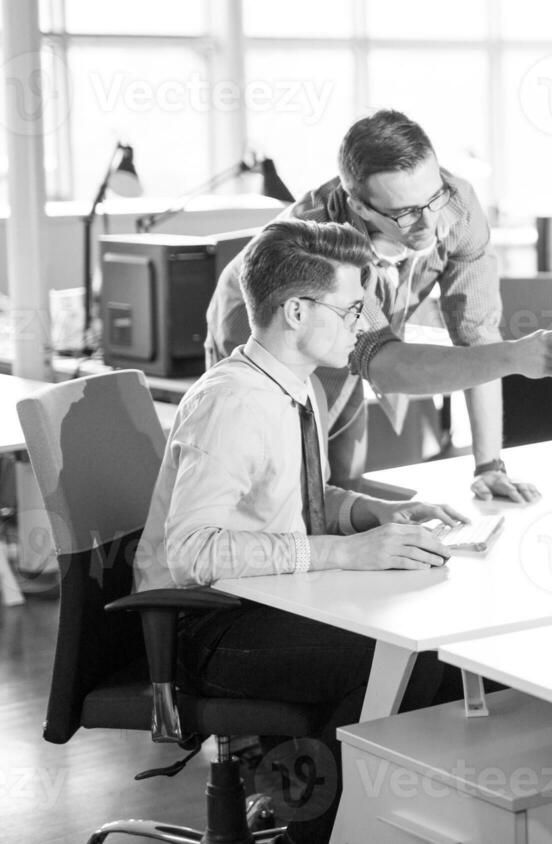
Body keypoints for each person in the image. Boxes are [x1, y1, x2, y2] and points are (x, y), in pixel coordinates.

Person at [137, 219, 493, 843]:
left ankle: (331, 819)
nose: (364, 324)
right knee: (402, 665)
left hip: (265, 601)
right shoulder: (235, 402)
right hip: (206, 626)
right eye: (354, 308)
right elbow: (191, 553)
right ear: (297, 311)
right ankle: (321, 831)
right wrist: (344, 553)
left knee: (424, 654)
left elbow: (297, 495)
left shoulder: (293, 386)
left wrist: (368, 515)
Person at [206, 109, 552, 500]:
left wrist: (489, 466)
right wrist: (515, 357)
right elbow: (384, 364)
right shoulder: (325, 248)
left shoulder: (458, 205)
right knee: (282, 490)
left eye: (434, 197)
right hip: (268, 332)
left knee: (343, 482)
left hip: (345, 339)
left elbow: (478, 337)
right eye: (405, 213)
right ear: (361, 206)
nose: (430, 223)